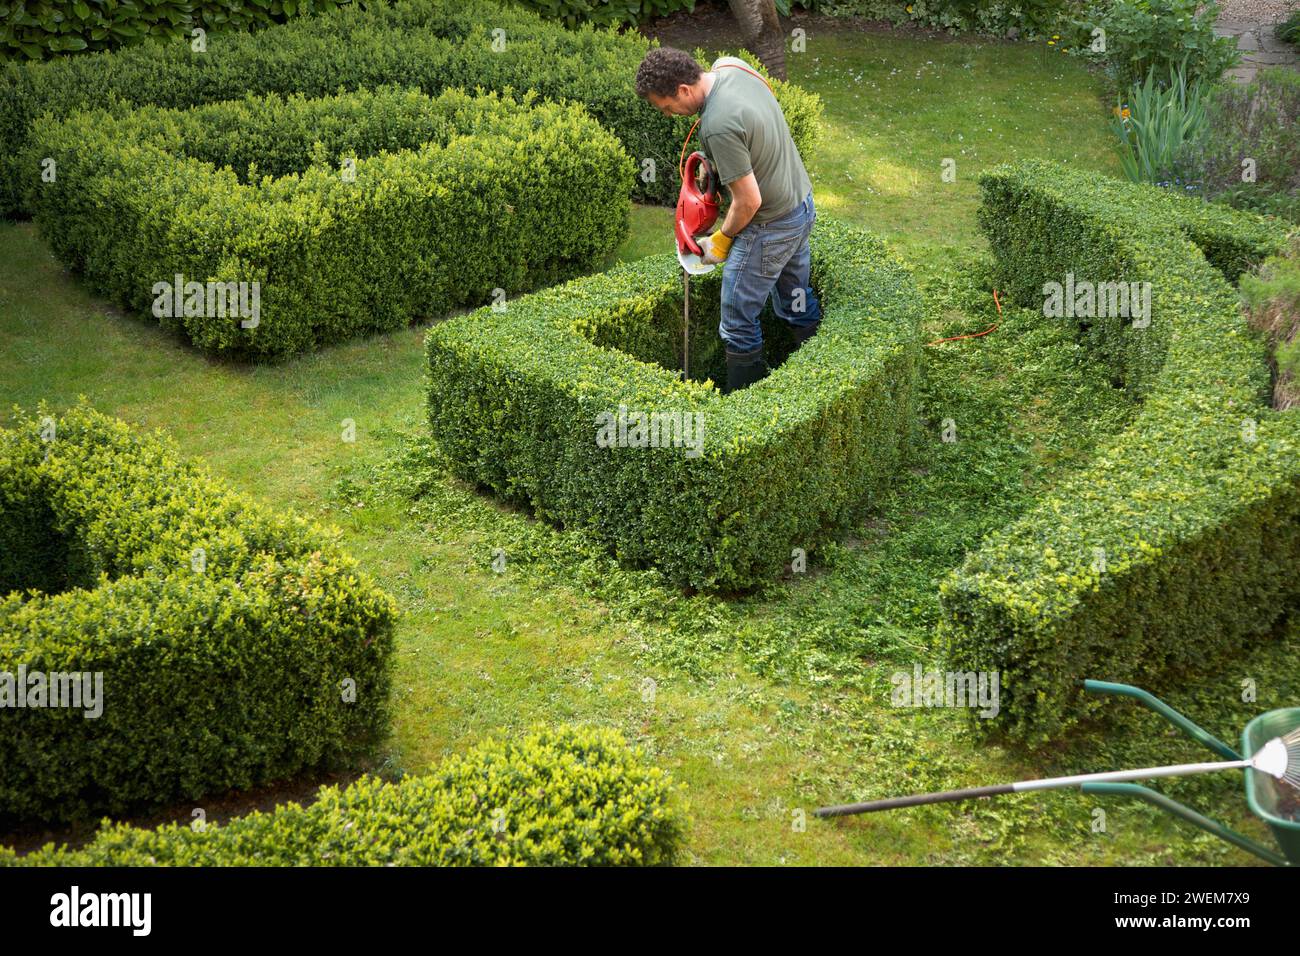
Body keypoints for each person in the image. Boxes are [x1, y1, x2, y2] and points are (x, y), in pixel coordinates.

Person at [635, 46, 821, 392]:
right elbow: (754, 122)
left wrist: (721, 240)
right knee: (795, 301)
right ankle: (821, 376)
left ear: (683, 90)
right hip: (801, 205)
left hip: (770, 227)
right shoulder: (731, 67)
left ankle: (746, 408)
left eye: (667, 107)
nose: (669, 114)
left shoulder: (717, 125)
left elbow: (749, 201)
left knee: (737, 321)